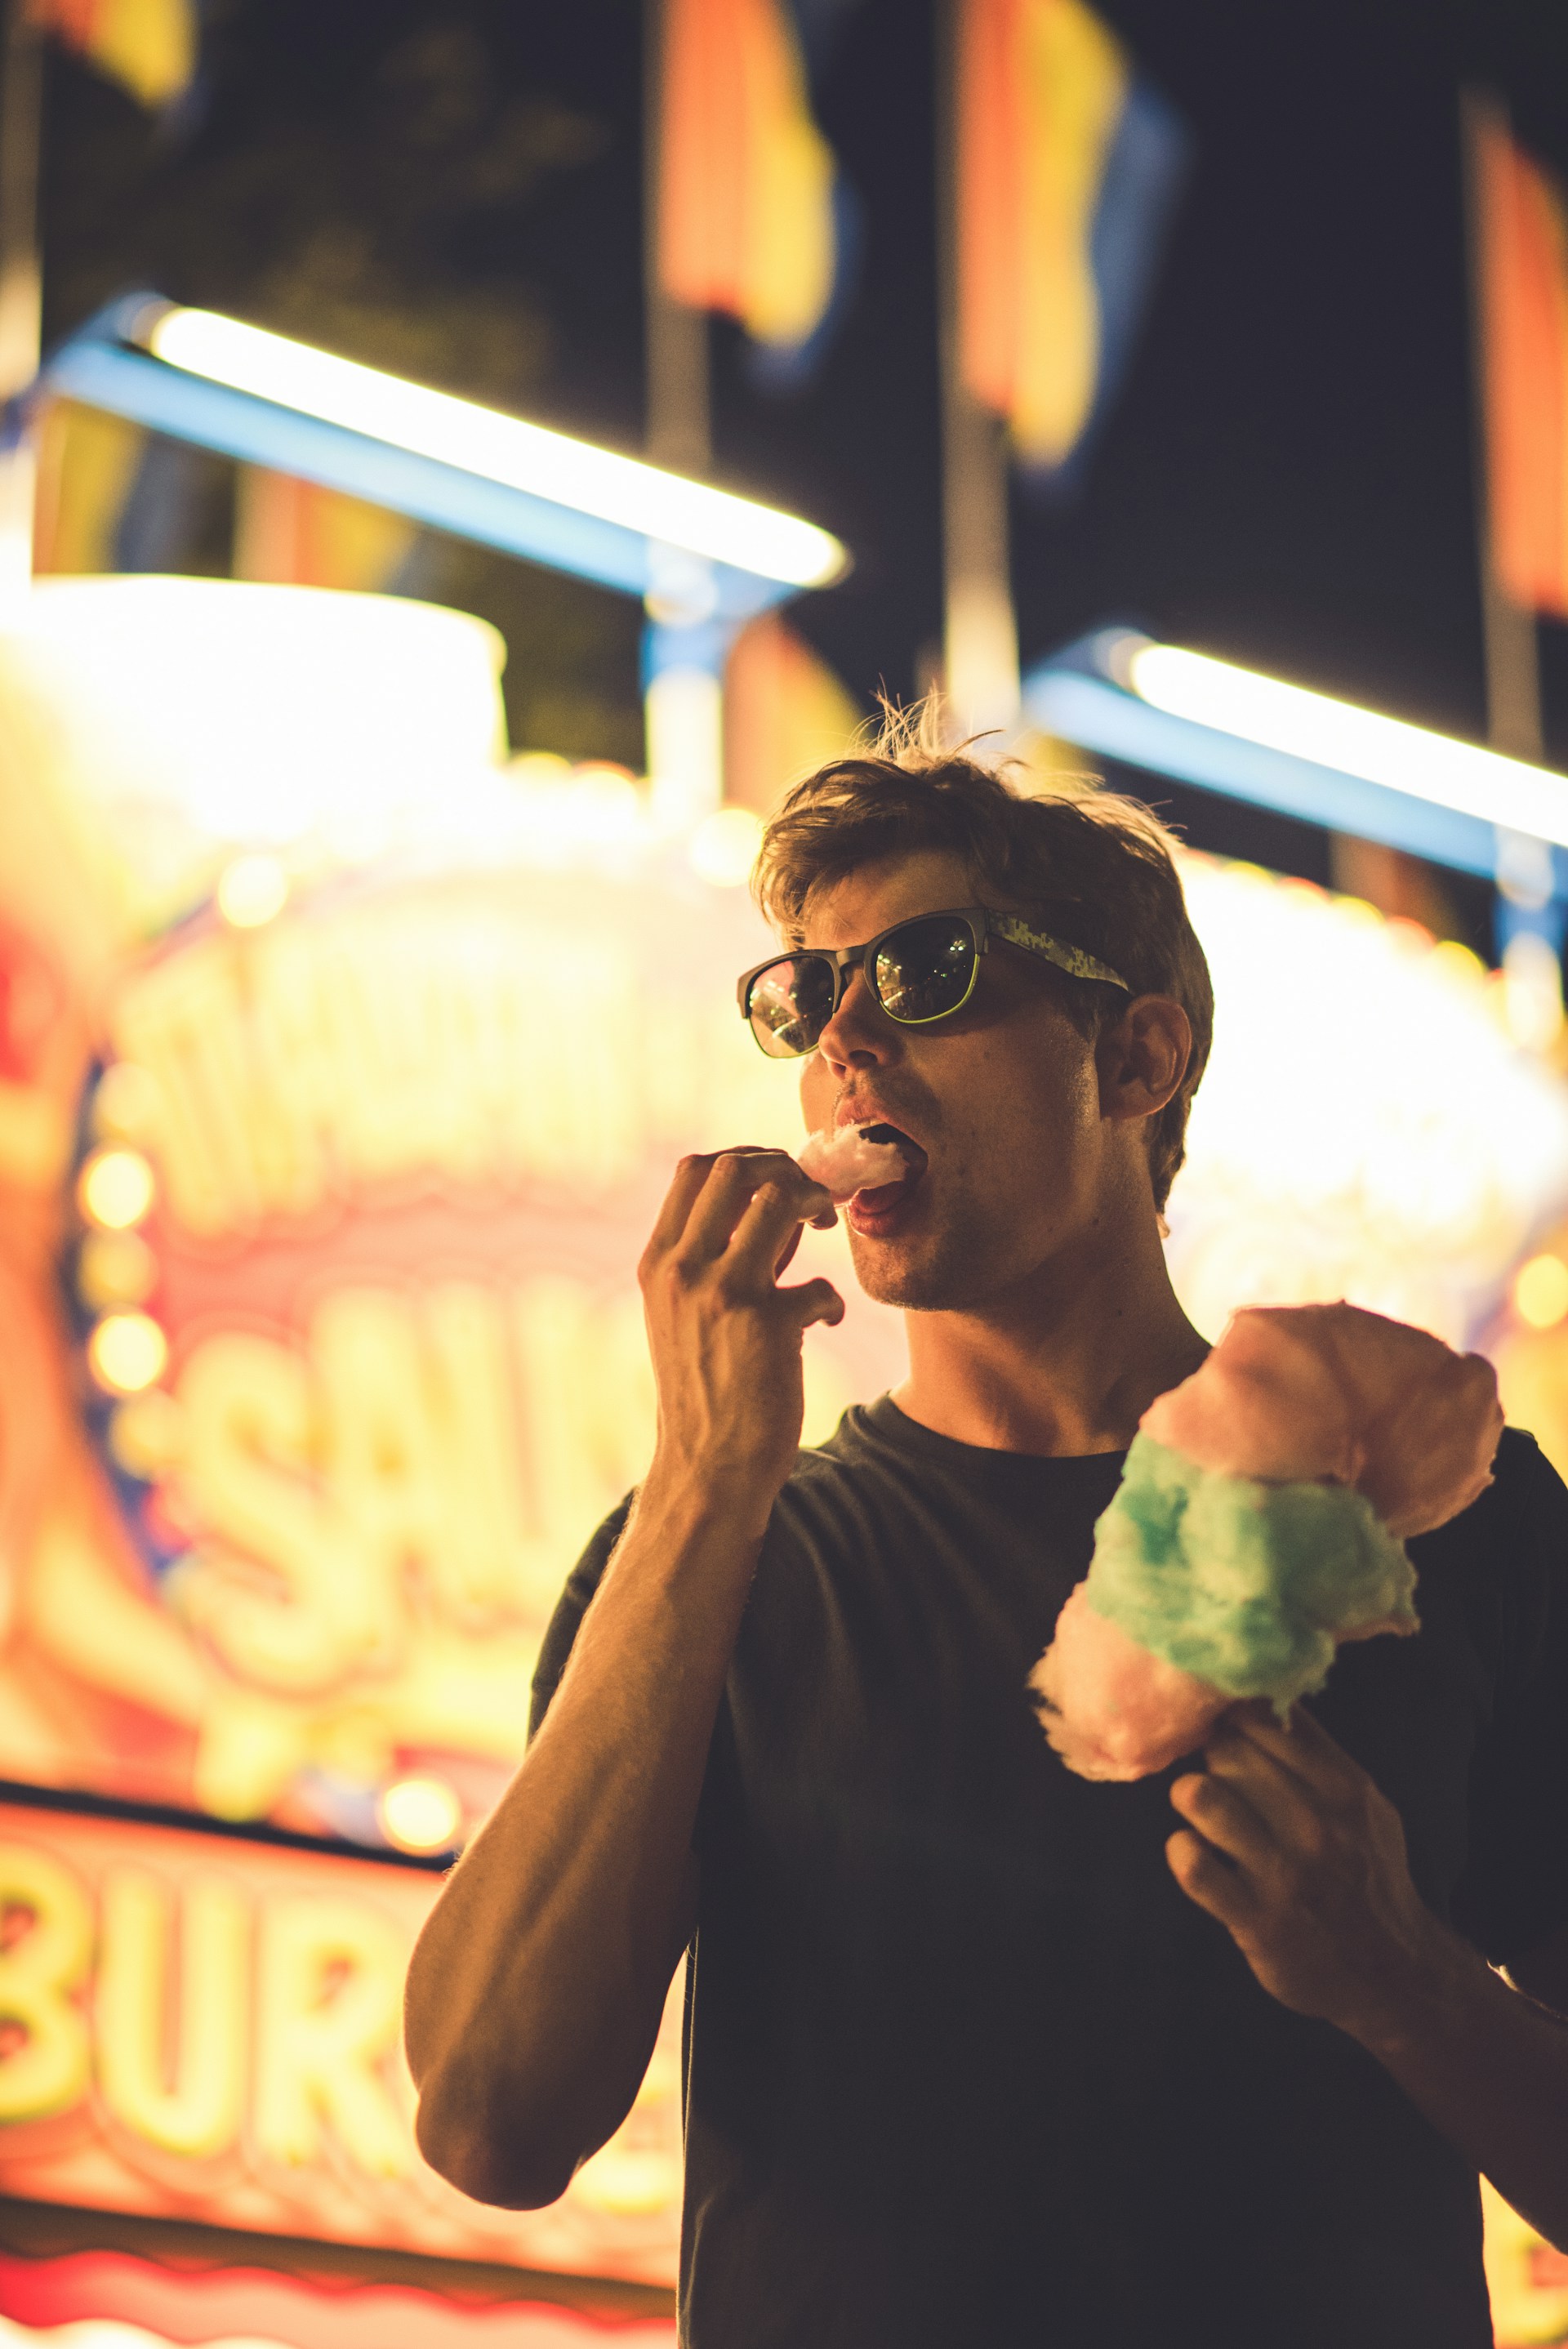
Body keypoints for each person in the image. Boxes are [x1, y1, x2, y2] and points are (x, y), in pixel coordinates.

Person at [406, 720, 1568, 2348]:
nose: (846, 1042)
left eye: (929, 972)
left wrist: (1404, 1980)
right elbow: (488, 2121)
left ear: (1136, 1061)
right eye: (807, 998)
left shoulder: (1438, 1510)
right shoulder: (713, 1557)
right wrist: (702, 1482)